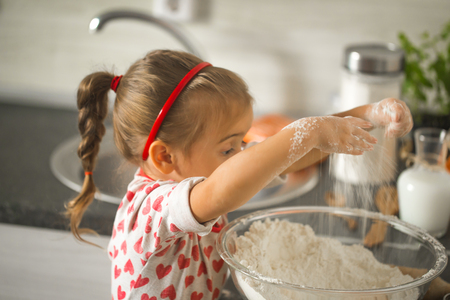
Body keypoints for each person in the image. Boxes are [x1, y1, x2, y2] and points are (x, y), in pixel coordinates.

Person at [65, 50, 413, 300]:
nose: (243, 156)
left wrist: (368, 115)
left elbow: (288, 156)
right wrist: (307, 131)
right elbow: (221, 190)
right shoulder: (152, 207)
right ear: (165, 155)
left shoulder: (201, 174)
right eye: (230, 147)